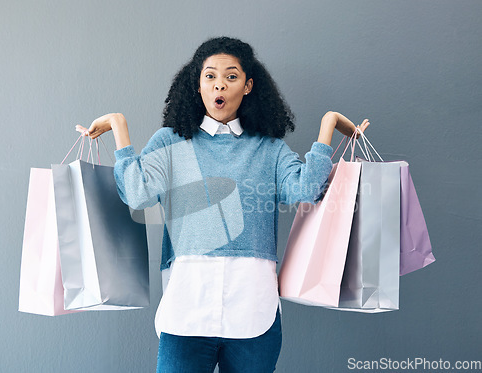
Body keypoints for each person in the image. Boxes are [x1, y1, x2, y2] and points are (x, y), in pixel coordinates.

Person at [77, 36, 370, 373]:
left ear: (247, 86)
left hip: (253, 313)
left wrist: (328, 126)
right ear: (197, 86)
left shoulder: (268, 148)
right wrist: (119, 128)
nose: (220, 85)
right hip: (186, 310)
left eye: (231, 76)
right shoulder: (171, 141)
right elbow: (137, 194)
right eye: (210, 76)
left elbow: (305, 191)